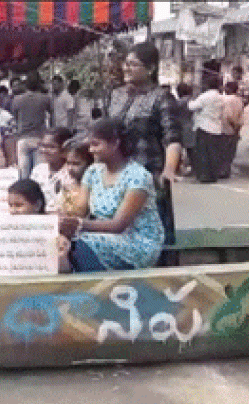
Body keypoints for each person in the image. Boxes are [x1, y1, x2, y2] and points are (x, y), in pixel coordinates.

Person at [59, 119, 164, 272]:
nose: (91, 150)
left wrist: (79, 225)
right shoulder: (93, 172)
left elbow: (118, 225)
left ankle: (88, 284)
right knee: (59, 243)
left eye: (96, 144)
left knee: (79, 245)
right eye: (90, 145)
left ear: (115, 143)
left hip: (137, 242)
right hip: (100, 235)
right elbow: (79, 211)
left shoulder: (137, 176)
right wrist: (65, 224)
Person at [108, 41, 182, 256]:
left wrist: (169, 170)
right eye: (126, 63)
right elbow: (105, 131)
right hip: (117, 176)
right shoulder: (116, 95)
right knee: (119, 231)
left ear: (150, 69)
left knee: (154, 234)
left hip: (148, 176)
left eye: (133, 64)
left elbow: (173, 138)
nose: (126, 68)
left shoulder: (162, 97)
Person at [11, 72, 52, 178]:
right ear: (39, 83)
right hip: (39, 138)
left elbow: (15, 119)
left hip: (23, 138)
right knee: (39, 175)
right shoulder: (45, 99)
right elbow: (52, 117)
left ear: (25, 84)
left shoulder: (17, 99)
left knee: (23, 175)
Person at [188, 75, 224, 184]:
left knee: (203, 153)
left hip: (204, 127)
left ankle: (204, 175)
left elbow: (192, 107)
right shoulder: (220, 97)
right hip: (216, 127)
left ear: (207, 85)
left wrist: (191, 99)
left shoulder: (205, 96)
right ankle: (213, 175)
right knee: (213, 154)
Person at [30, 127, 75, 214]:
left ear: (65, 150)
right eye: (43, 146)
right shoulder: (38, 170)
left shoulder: (71, 172)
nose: (44, 150)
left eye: (51, 147)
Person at [59, 140, 94, 218]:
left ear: (89, 164)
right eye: (68, 163)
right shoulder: (66, 182)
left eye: (76, 164)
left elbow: (79, 214)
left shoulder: (93, 186)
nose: (70, 168)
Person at [219, 81, 245, 180]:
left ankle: (222, 171)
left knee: (223, 152)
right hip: (235, 130)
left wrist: (233, 125)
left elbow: (228, 116)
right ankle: (226, 170)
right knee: (230, 153)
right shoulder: (239, 100)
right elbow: (241, 117)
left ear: (228, 89)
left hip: (225, 129)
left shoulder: (226, 100)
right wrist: (237, 128)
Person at [175, 83, 195, 178]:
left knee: (179, 149)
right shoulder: (191, 100)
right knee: (191, 150)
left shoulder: (179, 102)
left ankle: (178, 168)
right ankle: (194, 168)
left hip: (181, 126)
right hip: (191, 125)